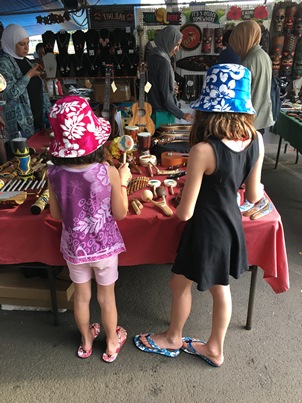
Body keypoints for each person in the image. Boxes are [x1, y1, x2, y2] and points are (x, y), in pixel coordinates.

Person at [134, 64, 265, 367]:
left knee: (179, 285)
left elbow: (184, 213)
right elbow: (255, 195)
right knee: (221, 290)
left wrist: (177, 201)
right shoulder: (255, 139)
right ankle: (215, 348)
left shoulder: (204, 150)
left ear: (208, 109)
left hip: (205, 229)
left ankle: (173, 337)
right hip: (231, 223)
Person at [47, 95, 131, 363]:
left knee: (81, 297)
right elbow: (120, 213)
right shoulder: (108, 171)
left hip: (75, 248)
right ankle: (110, 342)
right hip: (105, 247)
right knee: (107, 298)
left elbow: (55, 214)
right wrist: (124, 182)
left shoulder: (53, 174)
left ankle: (85, 340)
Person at [0, 24, 51, 157]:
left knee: (39, 158)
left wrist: (49, 113)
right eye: (22, 44)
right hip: (20, 124)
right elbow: (10, 94)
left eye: (28, 43)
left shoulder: (27, 61)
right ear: (11, 43)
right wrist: (29, 75)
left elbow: (41, 91)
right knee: (24, 158)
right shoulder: (3, 64)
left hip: (37, 120)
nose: (27, 47)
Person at [229, 20, 274, 133]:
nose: (236, 49)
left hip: (248, 121)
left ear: (243, 39)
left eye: (237, 43)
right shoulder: (264, 56)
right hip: (261, 117)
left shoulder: (248, 62)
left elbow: (240, 96)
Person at [145, 25, 194, 129]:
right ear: (168, 41)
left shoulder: (153, 57)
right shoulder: (163, 63)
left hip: (152, 111)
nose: (177, 49)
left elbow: (151, 86)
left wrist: (171, 85)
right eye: (176, 45)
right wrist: (182, 114)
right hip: (163, 114)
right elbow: (166, 98)